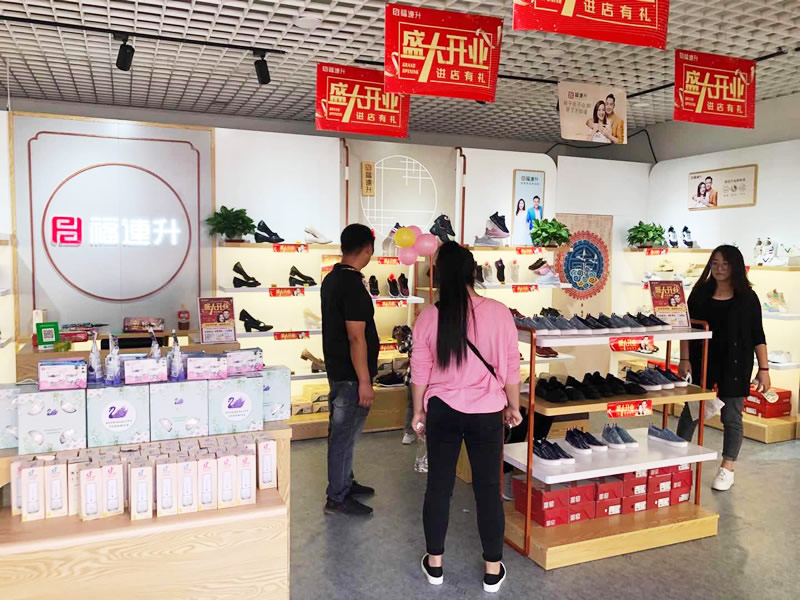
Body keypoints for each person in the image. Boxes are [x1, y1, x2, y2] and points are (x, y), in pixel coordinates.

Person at [411, 242, 522, 593]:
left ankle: (435, 565)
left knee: (438, 487)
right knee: (488, 490)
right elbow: (511, 368)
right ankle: (492, 570)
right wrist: (513, 406)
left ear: (439, 276)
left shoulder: (429, 316)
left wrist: (418, 411)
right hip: (487, 411)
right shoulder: (500, 313)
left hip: (442, 409)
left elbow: (420, 371)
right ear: (473, 272)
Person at [677, 245, 769, 492]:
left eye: (725, 264)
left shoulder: (747, 297)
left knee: (732, 416)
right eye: (715, 263)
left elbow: (757, 334)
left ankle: (727, 467)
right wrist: (684, 358)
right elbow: (686, 328)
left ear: (735, 266)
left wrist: (764, 368)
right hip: (702, 360)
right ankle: (678, 459)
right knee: (692, 411)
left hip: (736, 362)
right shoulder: (700, 293)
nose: (719, 268)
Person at [320, 223, 379, 516]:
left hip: (338, 369)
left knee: (343, 433)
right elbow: (356, 337)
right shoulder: (353, 286)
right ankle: (337, 496)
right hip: (351, 376)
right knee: (344, 436)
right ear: (367, 249)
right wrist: (365, 381)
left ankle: (345, 481)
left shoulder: (332, 278)